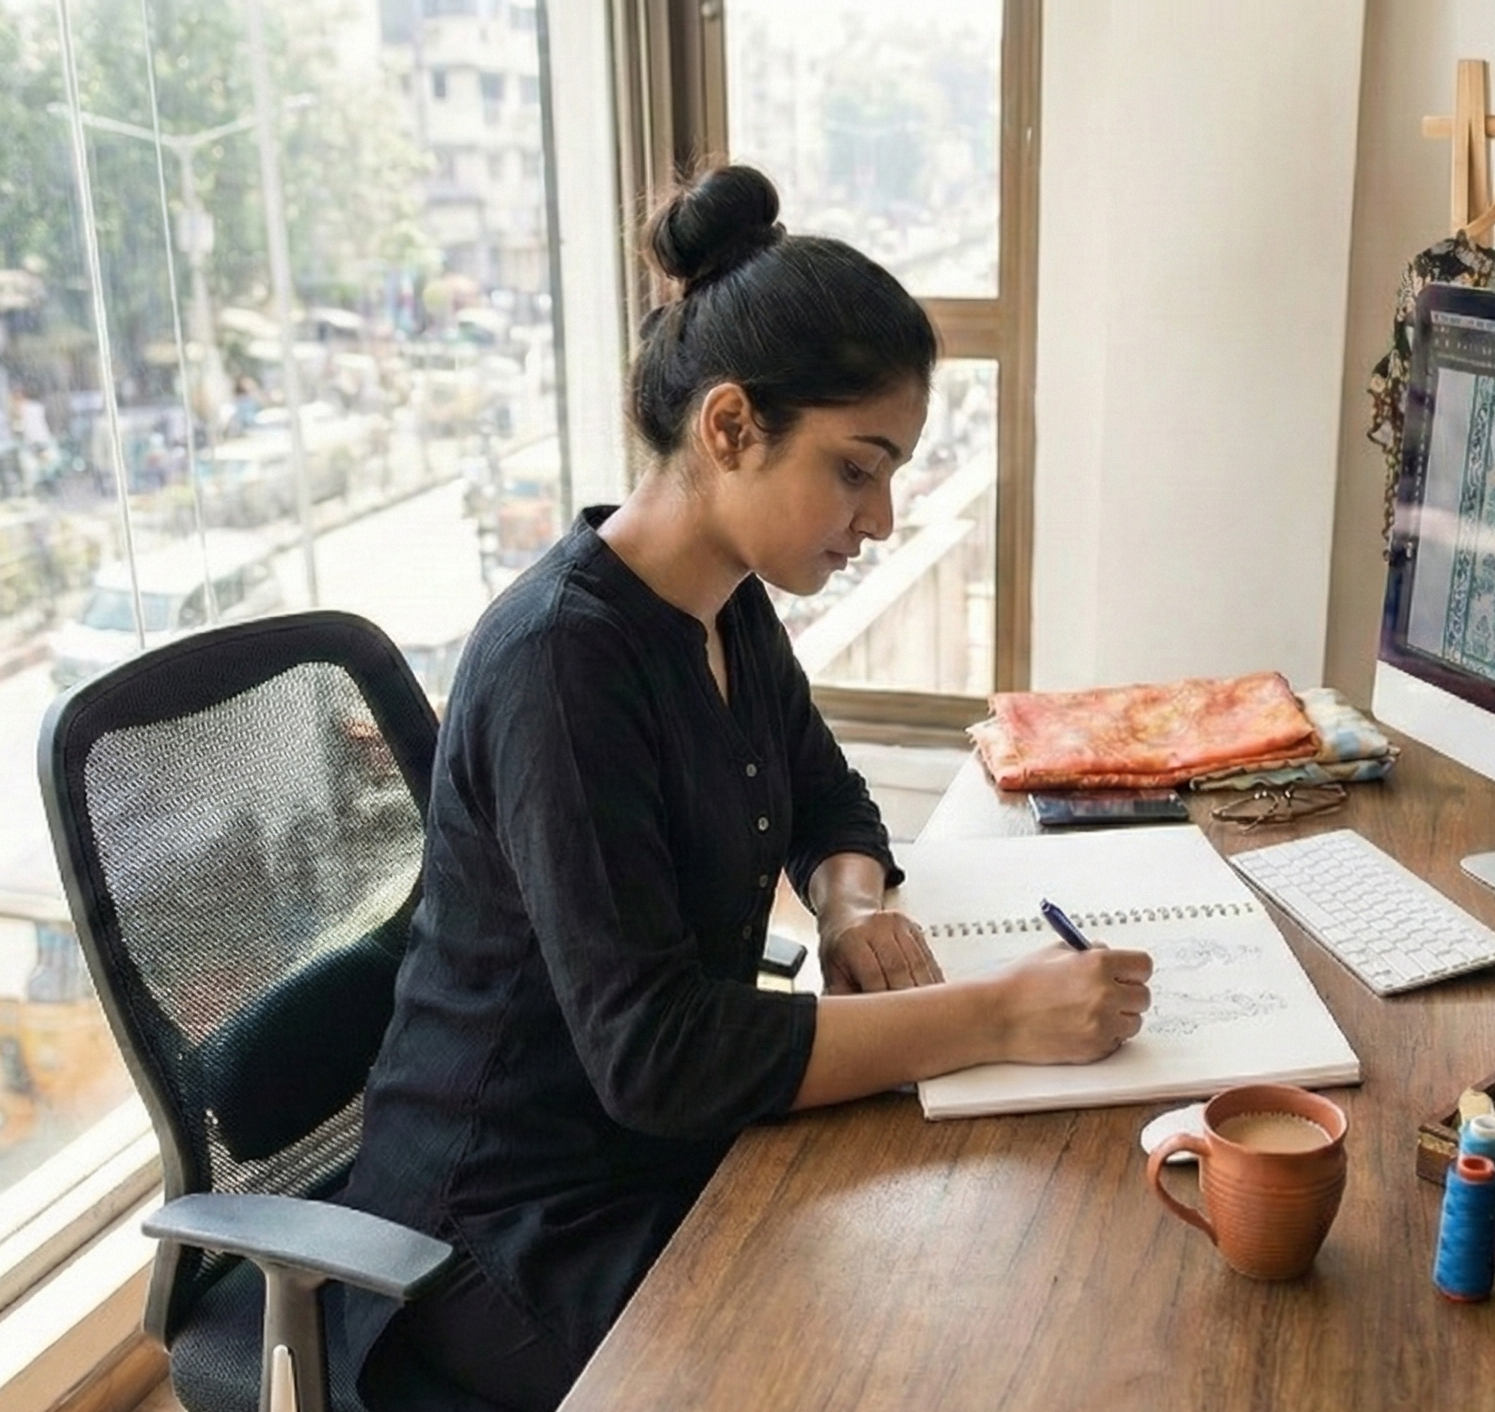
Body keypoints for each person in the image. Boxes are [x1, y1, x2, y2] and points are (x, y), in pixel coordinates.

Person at [338, 164, 1153, 1412]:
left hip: (656, 1148)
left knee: (964, 1285)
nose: (879, 518)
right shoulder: (563, 664)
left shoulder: (727, 604)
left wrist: (845, 908)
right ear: (729, 427)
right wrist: (997, 1015)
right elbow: (658, 1054)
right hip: (497, 1224)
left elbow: (832, 803)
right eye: (855, 468)